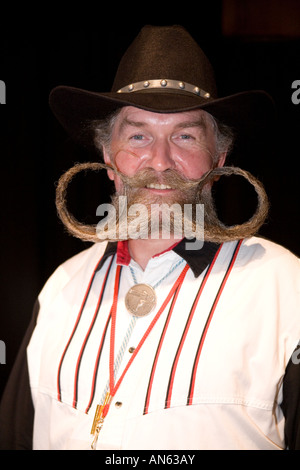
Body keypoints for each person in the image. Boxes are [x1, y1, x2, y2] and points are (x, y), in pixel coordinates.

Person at [0, 25, 299, 451]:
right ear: (108, 158)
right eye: (138, 136)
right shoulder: (62, 288)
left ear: (219, 159)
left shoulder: (286, 286)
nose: (159, 162)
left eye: (185, 136)